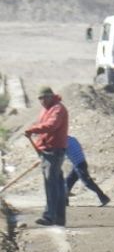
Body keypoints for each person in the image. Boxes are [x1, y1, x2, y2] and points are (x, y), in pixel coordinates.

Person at [25, 86, 69, 227]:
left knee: (52, 185)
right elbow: (44, 126)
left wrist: (32, 129)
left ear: (50, 96)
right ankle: (58, 218)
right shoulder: (47, 109)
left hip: (54, 151)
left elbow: (51, 125)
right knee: (56, 185)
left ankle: (50, 216)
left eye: (44, 98)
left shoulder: (57, 109)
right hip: (48, 150)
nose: (42, 101)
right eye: (40, 99)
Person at [64, 135, 110, 207]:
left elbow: (60, 154)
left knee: (88, 183)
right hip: (81, 162)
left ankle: (104, 198)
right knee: (68, 181)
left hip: (78, 164)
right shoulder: (73, 139)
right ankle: (64, 202)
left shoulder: (64, 142)